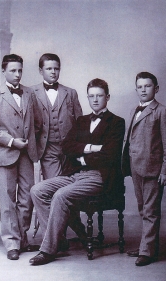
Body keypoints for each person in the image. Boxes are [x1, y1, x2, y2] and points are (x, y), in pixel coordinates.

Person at [28, 78, 125, 266]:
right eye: (91, 96)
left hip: (99, 177)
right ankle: (58, 241)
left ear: (107, 97)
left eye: (99, 96)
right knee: (37, 190)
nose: (95, 100)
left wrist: (81, 154)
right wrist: (92, 148)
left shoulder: (117, 123)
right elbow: (67, 146)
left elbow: (110, 155)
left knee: (61, 195)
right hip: (74, 174)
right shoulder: (81, 121)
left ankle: (48, 250)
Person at [0, 54, 42, 260]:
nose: (17, 74)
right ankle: (11, 244)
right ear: (4, 71)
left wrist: (30, 142)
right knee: (7, 201)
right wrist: (10, 141)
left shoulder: (29, 93)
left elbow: (38, 122)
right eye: (13, 71)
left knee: (27, 198)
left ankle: (22, 238)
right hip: (4, 153)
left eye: (20, 70)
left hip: (27, 154)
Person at [122, 72, 166, 266]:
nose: (143, 89)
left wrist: (165, 171)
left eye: (147, 86)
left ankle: (147, 251)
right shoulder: (133, 110)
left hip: (153, 169)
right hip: (136, 167)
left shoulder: (162, 111)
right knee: (142, 209)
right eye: (140, 86)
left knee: (151, 210)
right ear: (136, 89)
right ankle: (148, 245)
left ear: (156, 89)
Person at [31, 53, 82, 180]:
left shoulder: (71, 93)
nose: (53, 72)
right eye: (49, 69)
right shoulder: (31, 93)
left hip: (69, 148)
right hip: (47, 148)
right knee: (53, 184)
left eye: (56, 68)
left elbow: (80, 123)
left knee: (70, 185)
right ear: (40, 71)